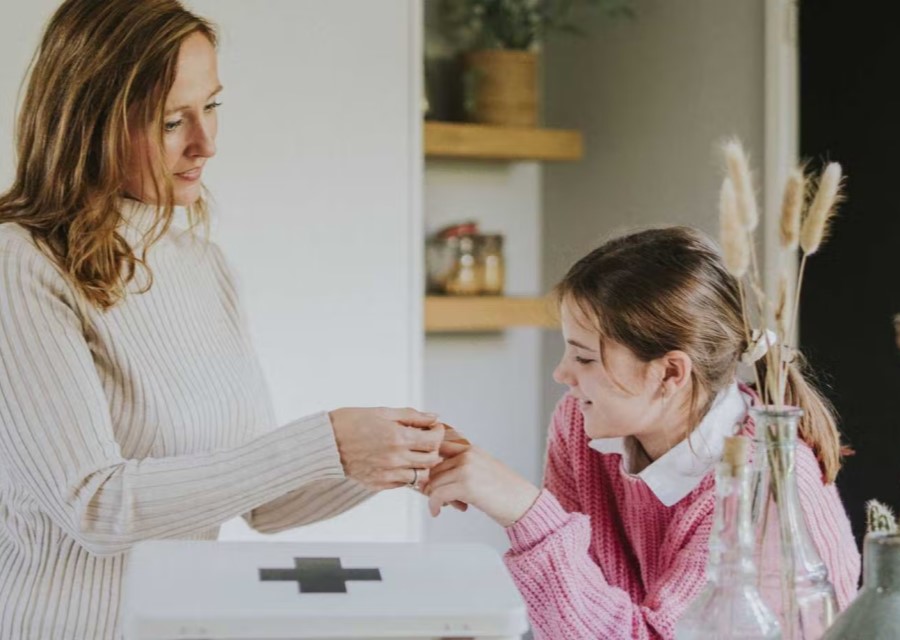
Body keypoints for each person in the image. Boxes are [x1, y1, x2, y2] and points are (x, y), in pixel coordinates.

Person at [0, 1, 444, 638]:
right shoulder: (21, 263)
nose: (206, 144)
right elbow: (93, 506)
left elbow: (262, 501)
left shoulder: (203, 265)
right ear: (87, 123)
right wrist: (327, 440)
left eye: (212, 107)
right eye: (171, 120)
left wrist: (396, 459)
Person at [425, 227, 861, 639]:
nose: (562, 374)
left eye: (585, 358)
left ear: (670, 372)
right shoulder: (581, 426)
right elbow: (577, 614)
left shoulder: (757, 485)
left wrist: (524, 511)